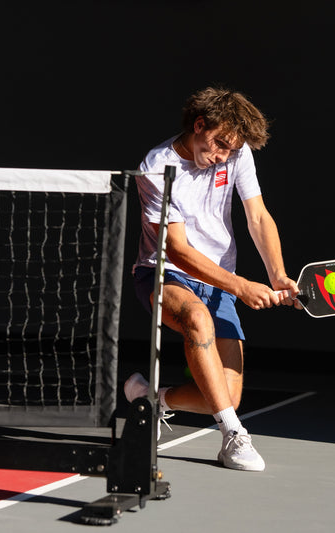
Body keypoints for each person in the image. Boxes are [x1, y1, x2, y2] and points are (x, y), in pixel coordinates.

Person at [126, 87, 300, 472]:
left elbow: (258, 217)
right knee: (197, 319)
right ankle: (233, 437)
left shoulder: (237, 153)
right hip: (163, 272)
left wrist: (278, 276)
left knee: (224, 395)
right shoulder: (157, 166)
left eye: (230, 149)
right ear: (199, 125)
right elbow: (177, 250)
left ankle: (151, 398)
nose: (223, 155)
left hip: (219, 279)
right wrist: (240, 286)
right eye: (219, 143)